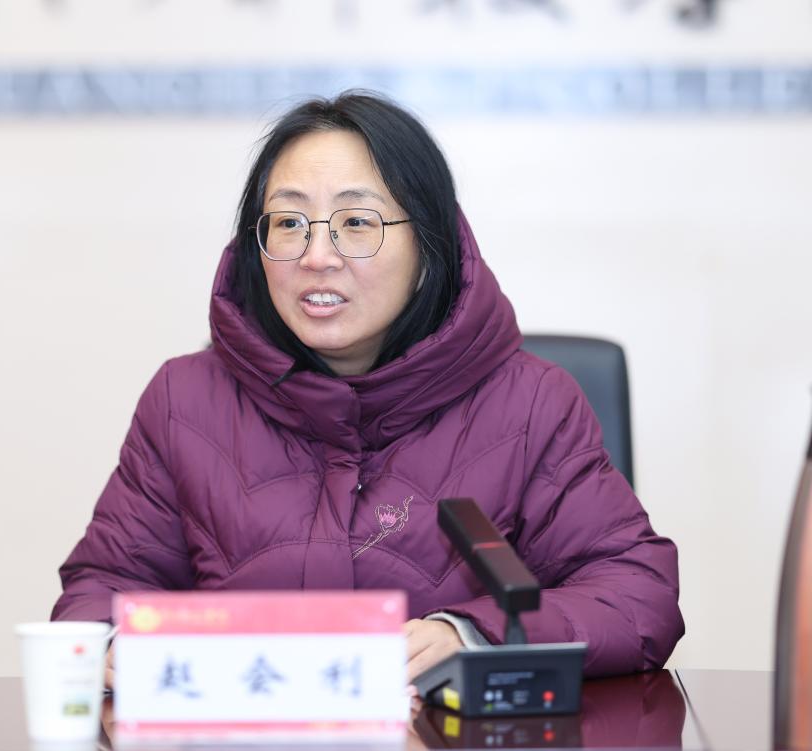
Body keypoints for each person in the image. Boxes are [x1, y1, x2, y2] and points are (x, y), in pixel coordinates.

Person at [51, 91, 685, 687]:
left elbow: (636, 594)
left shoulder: (530, 404)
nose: (316, 256)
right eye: (289, 222)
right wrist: (112, 644)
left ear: (429, 243)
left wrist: (473, 637)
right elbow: (102, 587)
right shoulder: (185, 401)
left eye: (356, 221)